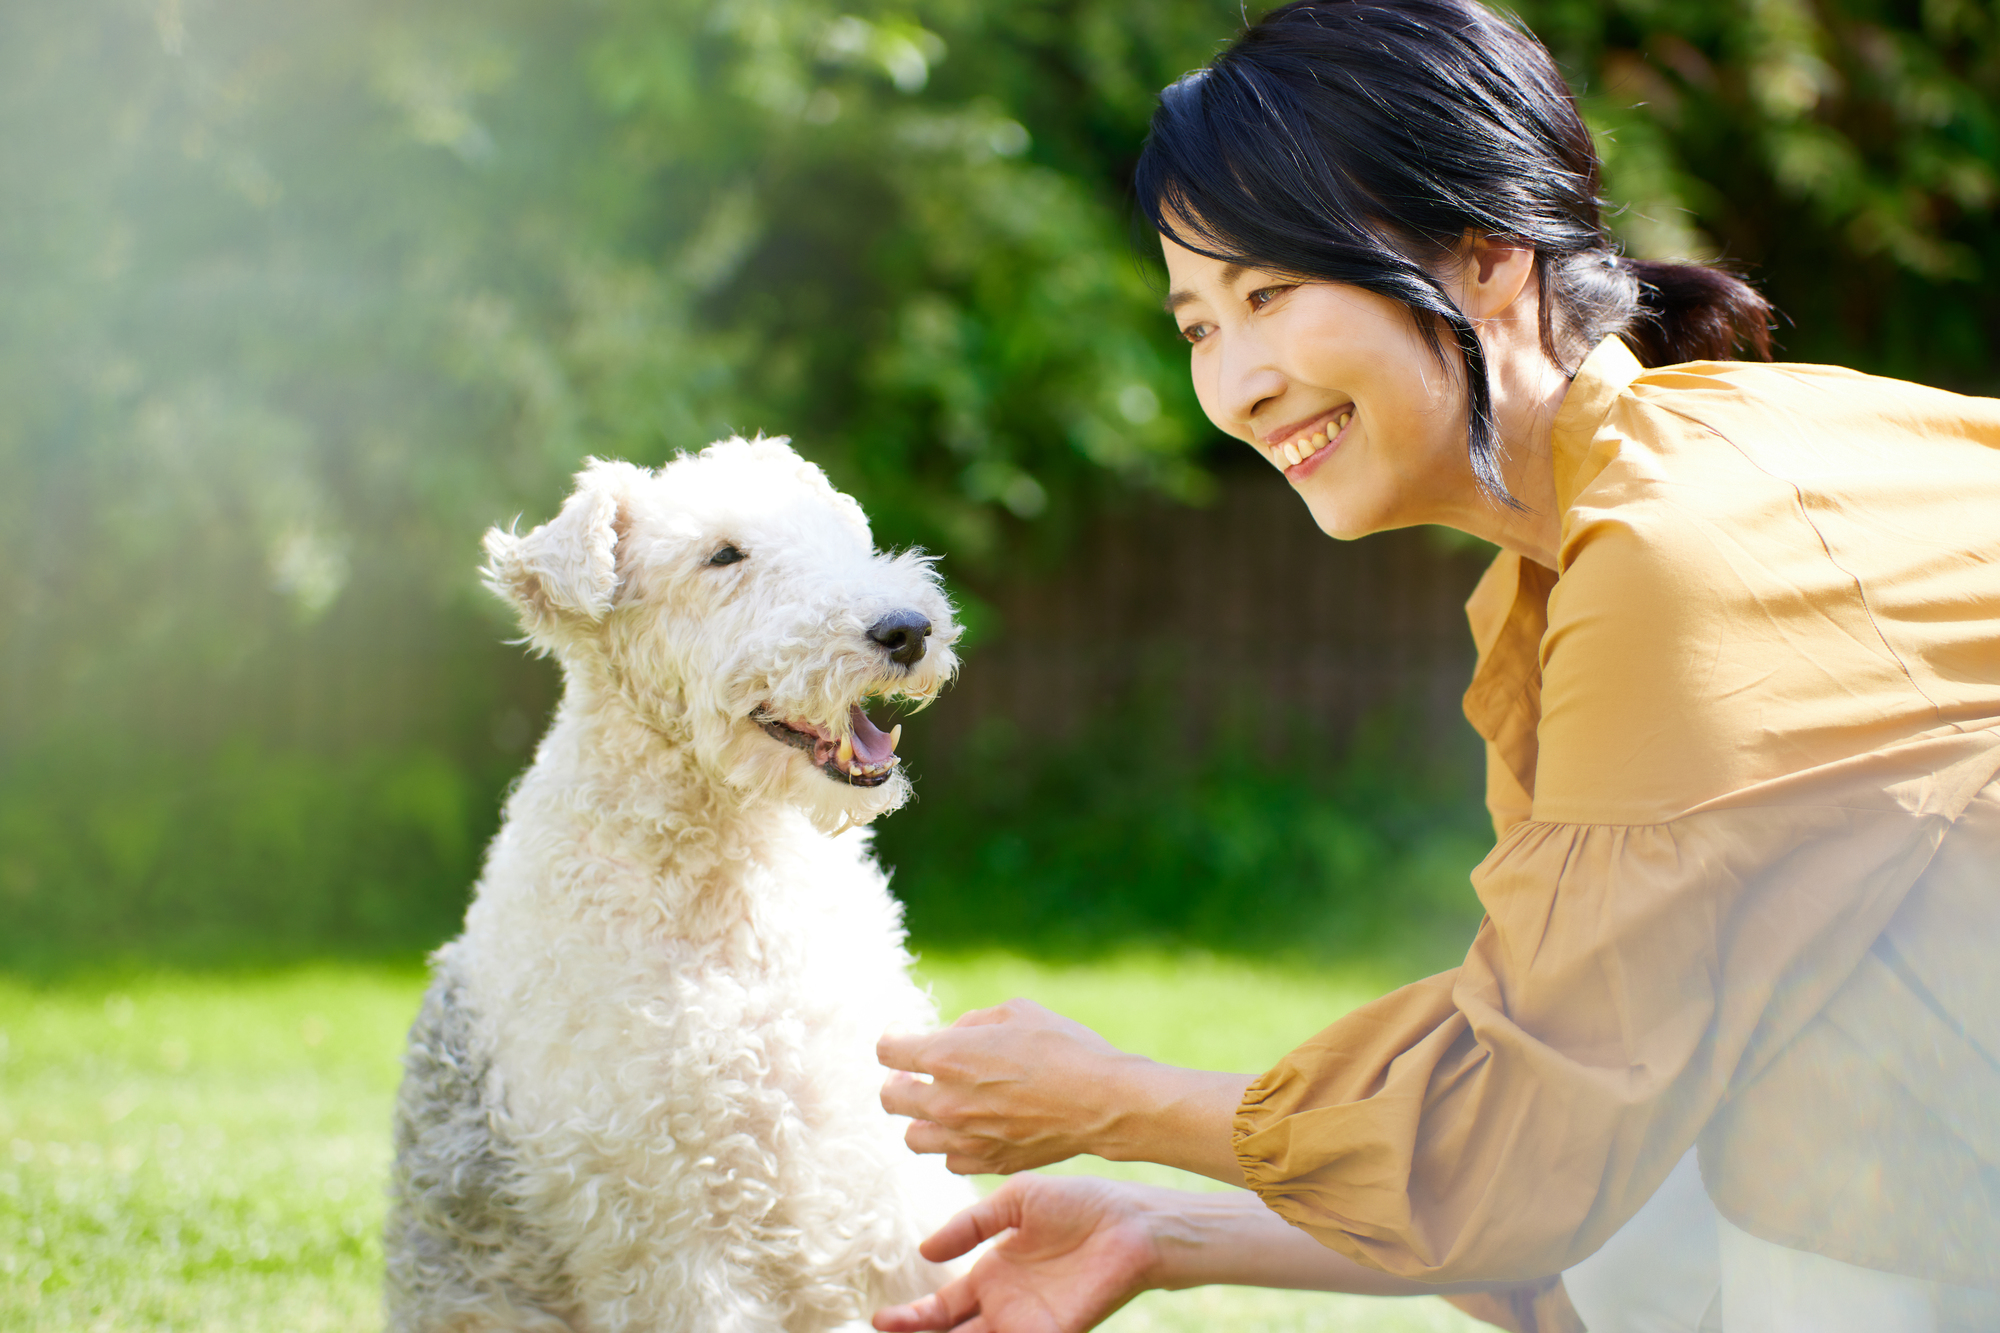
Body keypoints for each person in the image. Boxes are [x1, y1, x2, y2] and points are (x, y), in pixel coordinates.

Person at [868, 2, 2000, 1331]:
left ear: (1487, 257)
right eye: (1198, 327)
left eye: (1270, 293)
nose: (1237, 383)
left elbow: (1518, 1133)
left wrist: (1117, 1097)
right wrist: (1161, 1223)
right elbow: (1581, 1125)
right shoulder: (1582, 552)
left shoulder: (1682, 562)